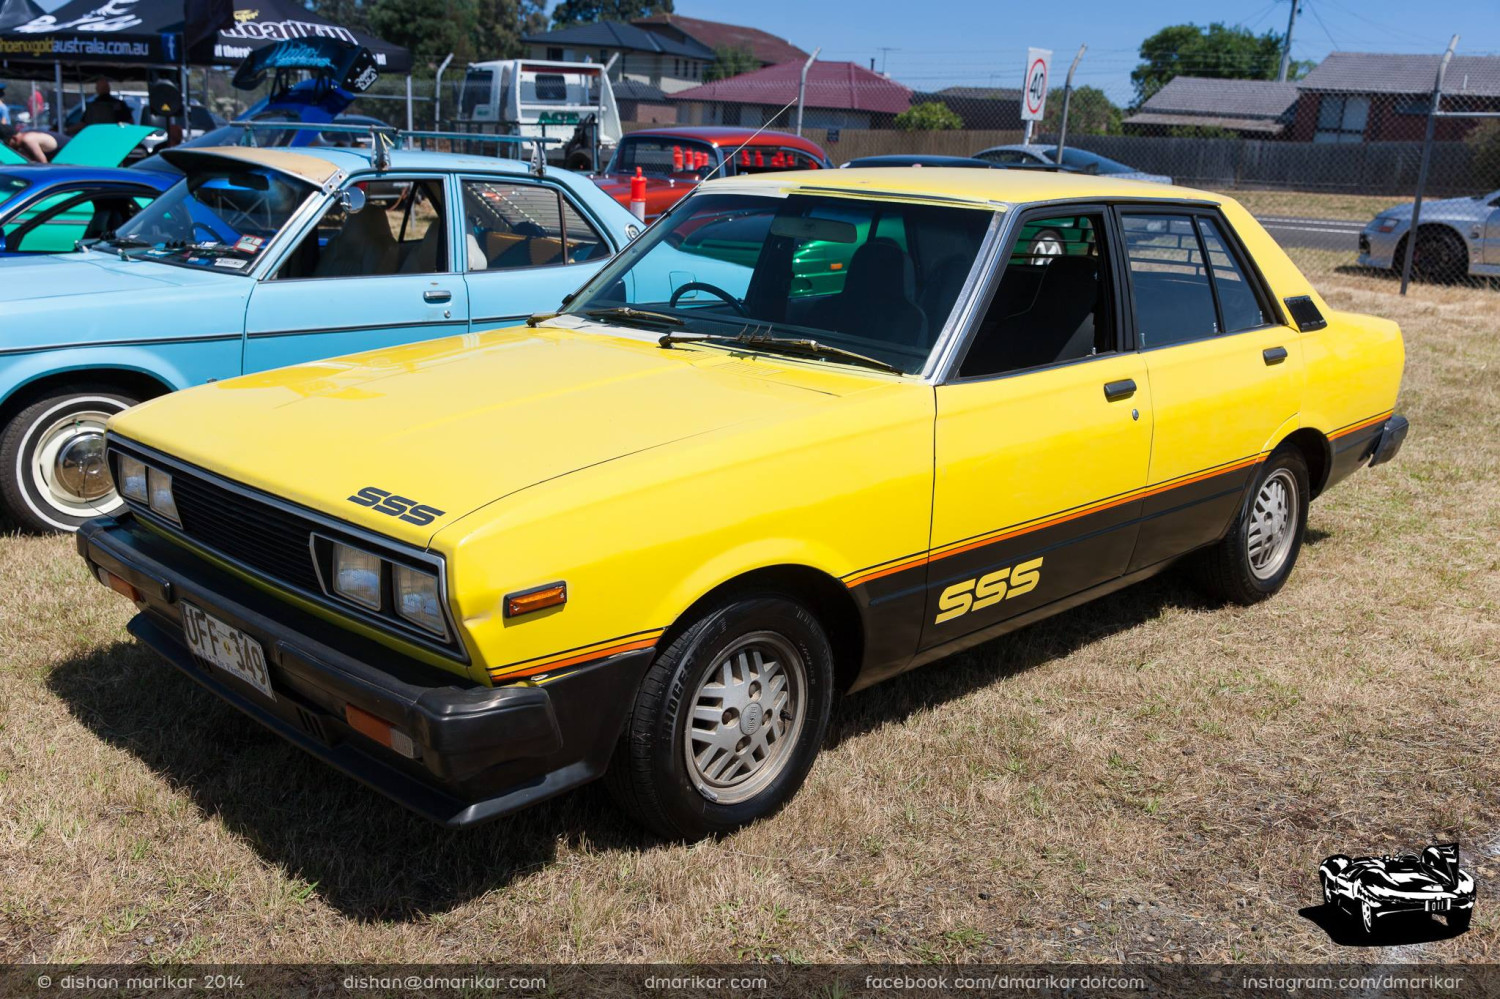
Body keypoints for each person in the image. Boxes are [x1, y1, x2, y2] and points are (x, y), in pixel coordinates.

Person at [0, 123, 68, 163]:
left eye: (7, 143)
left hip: (70, 151)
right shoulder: (25, 136)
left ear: (14, 138)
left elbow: (44, 163)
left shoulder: (28, 140)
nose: (8, 146)